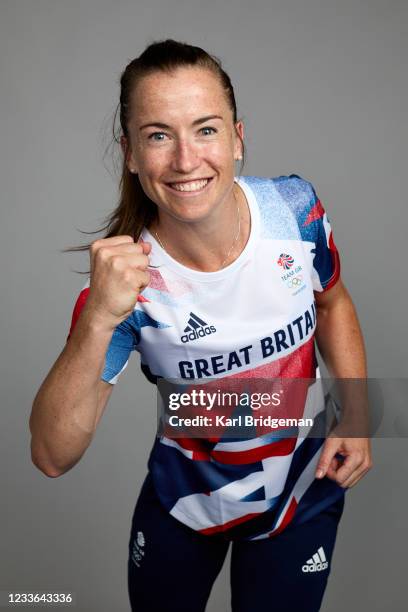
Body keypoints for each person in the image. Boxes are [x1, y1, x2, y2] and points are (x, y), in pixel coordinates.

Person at [30, 39, 372, 612]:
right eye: (159, 135)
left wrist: (359, 415)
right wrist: (98, 318)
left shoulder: (295, 209)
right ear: (132, 154)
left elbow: (333, 303)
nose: (187, 160)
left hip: (299, 491)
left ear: (239, 138)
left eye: (206, 130)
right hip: (182, 503)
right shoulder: (124, 287)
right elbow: (51, 455)